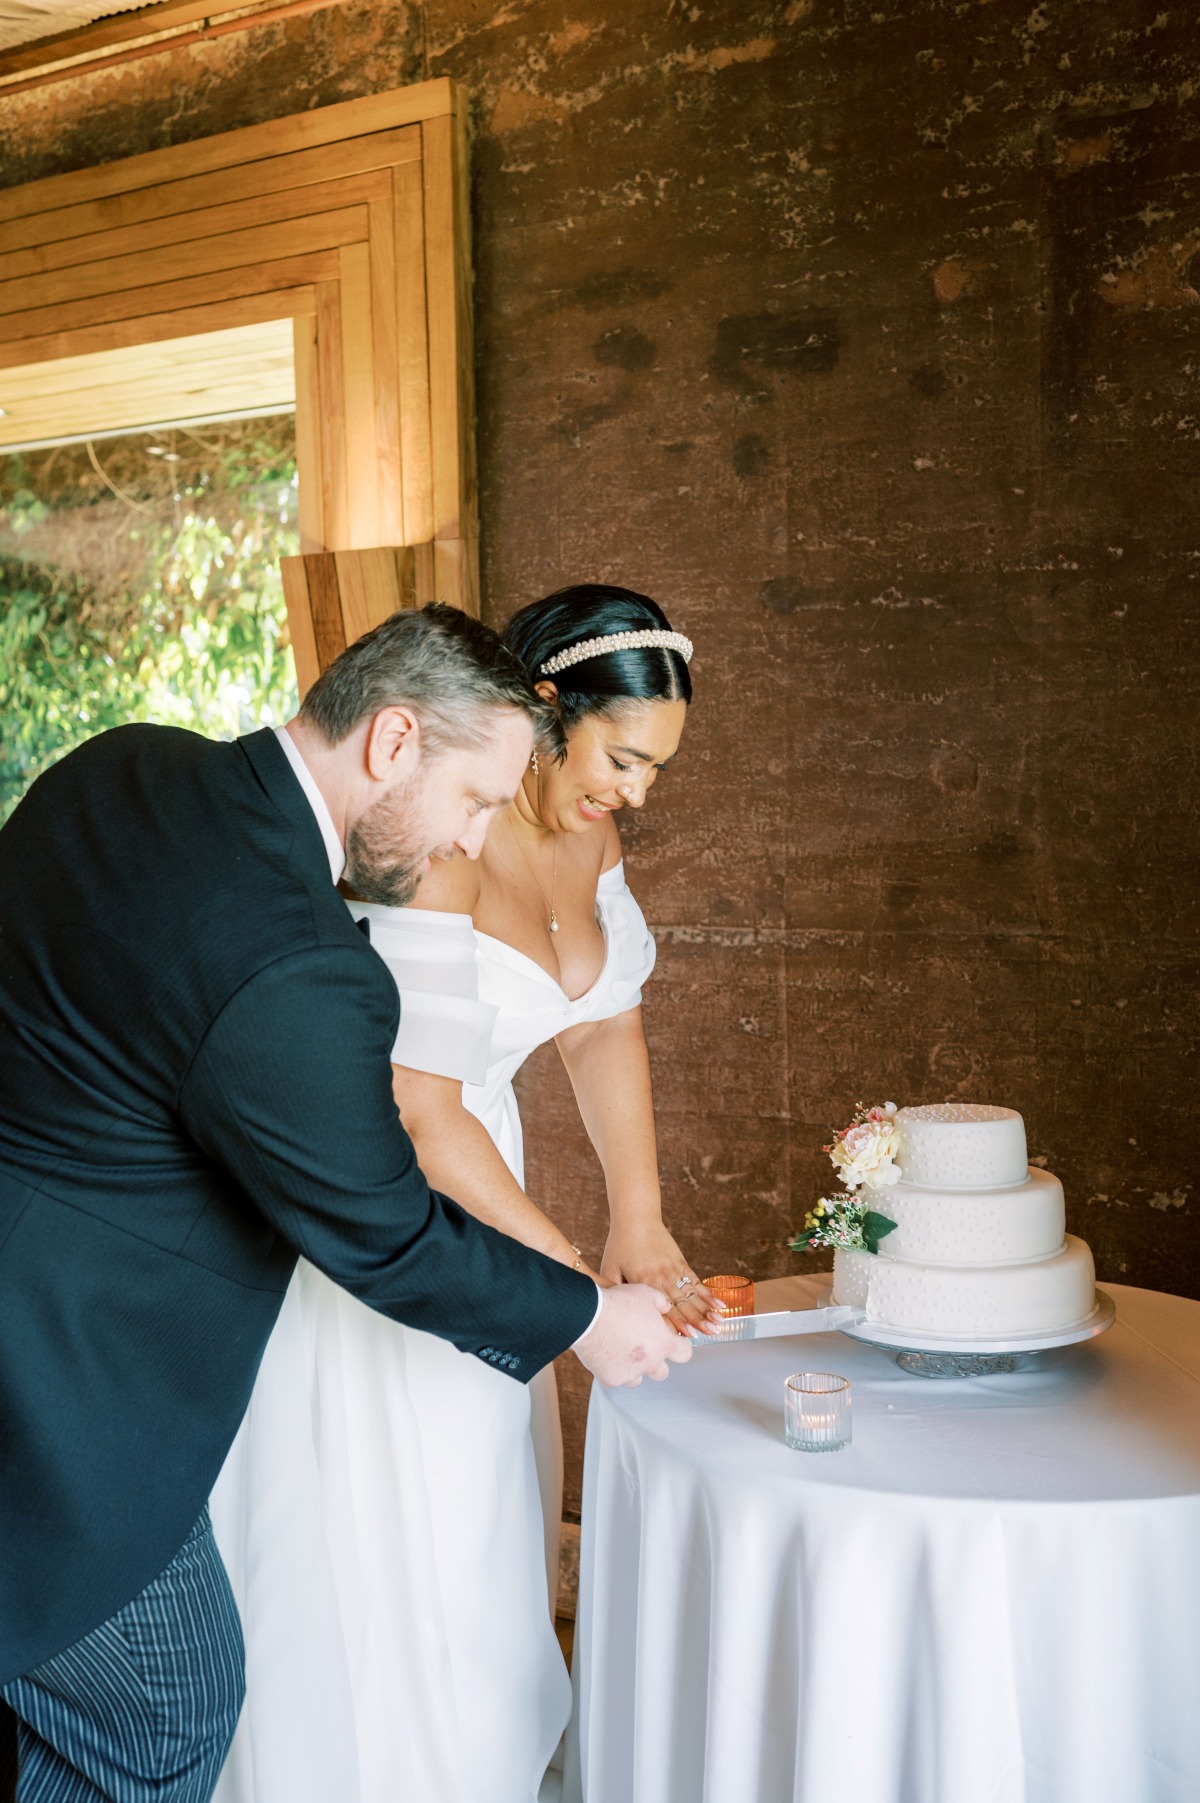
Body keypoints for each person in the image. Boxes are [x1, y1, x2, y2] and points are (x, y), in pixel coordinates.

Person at [0, 603, 690, 1803]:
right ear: (390, 740)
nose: (468, 840)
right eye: (474, 799)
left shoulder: (124, 763)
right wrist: (582, 1313)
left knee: (87, 1710)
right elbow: (386, 1228)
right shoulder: (300, 963)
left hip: (50, 1301)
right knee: (171, 1710)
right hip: (64, 1388)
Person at [211, 586, 714, 1803]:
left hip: (497, 1172)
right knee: (415, 1517)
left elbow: (601, 1030)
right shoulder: (442, 845)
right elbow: (423, 1115)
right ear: (547, 711)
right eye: (622, 758)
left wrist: (637, 1221)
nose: (636, 792)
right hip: (406, 1194)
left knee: (495, 1501)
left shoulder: (592, 832)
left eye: (656, 769)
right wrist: (575, 1289)